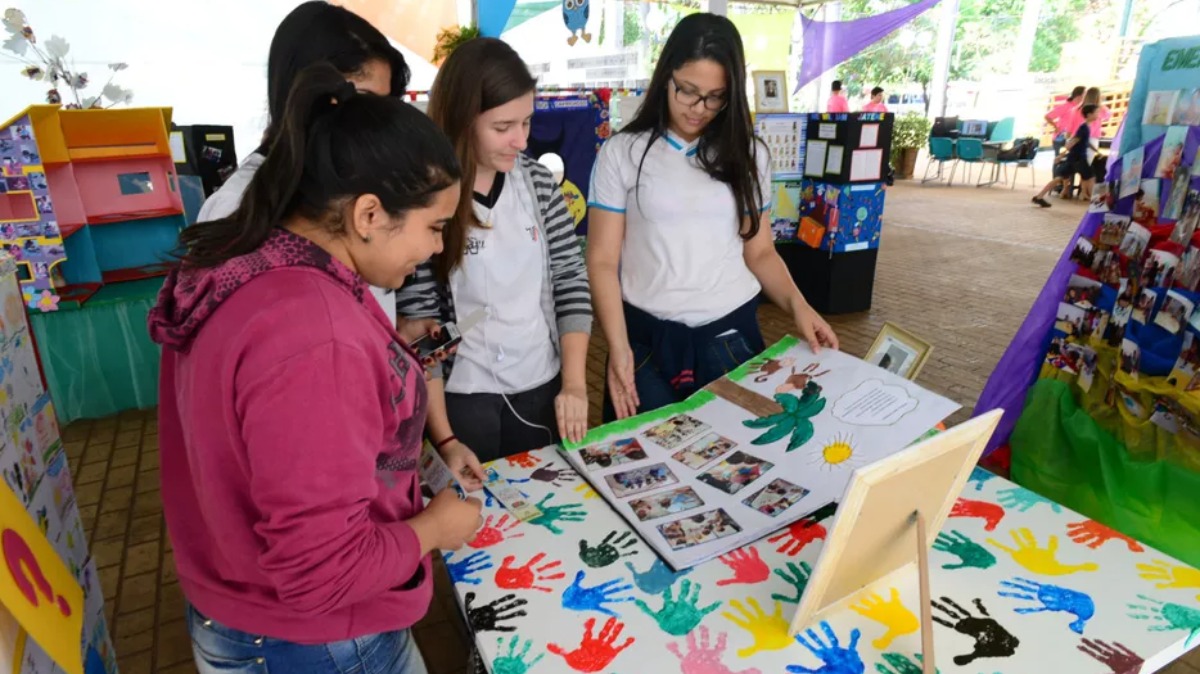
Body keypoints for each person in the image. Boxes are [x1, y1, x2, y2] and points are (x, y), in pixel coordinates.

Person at [149, 63, 485, 673]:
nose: (438, 249)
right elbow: (321, 571)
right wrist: (434, 528)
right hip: (316, 640)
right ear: (367, 215)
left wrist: (382, 351)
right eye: (435, 227)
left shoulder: (251, 265)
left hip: (237, 602)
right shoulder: (315, 333)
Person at [587, 13, 838, 421]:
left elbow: (759, 252)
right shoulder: (623, 152)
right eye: (687, 91)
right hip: (645, 341)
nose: (699, 108)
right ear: (666, 76)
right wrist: (618, 347)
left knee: (738, 465)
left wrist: (799, 306)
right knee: (641, 468)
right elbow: (600, 260)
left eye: (715, 97)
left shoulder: (749, 154)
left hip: (729, 337)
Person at [395, 38, 592, 462]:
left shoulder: (538, 185)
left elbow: (571, 281)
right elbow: (420, 320)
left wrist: (574, 383)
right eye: (503, 128)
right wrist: (445, 439)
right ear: (463, 119)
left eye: (526, 123)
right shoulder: (426, 196)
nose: (520, 141)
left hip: (540, 382)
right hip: (463, 396)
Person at [196, 1, 412, 327]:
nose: (375, 125)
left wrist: (397, 336)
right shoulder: (238, 206)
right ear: (303, 91)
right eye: (361, 101)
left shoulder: (356, 184)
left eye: (385, 106)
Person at [1033, 104, 1100, 207]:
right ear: (1089, 114)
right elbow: (1073, 141)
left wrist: (1096, 150)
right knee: (1091, 177)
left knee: (1059, 178)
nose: (1098, 115)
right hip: (1079, 158)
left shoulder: (1086, 127)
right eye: (1096, 112)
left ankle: (1039, 196)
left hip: (1073, 158)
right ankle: (1096, 204)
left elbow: (1084, 142)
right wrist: (1061, 155)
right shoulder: (1084, 128)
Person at [1045, 85, 1085, 156]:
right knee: (1059, 161)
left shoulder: (1081, 108)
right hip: (1061, 138)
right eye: (1085, 94)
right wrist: (1055, 127)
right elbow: (1047, 116)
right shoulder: (1066, 106)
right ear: (1079, 95)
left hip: (1073, 138)